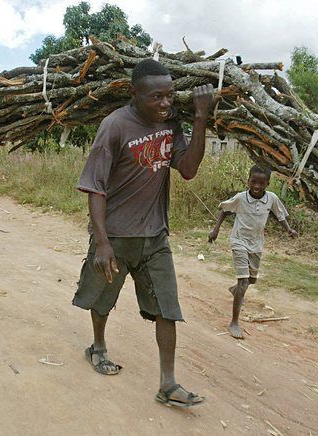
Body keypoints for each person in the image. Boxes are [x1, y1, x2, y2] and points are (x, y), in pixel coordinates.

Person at [73, 58, 215, 408]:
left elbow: (189, 169)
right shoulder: (114, 126)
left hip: (155, 237)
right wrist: (102, 241)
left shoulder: (171, 125)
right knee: (102, 300)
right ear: (134, 93)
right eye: (156, 97)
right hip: (116, 236)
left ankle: (168, 383)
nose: (165, 103)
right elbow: (96, 186)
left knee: (168, 307)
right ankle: (99, 346)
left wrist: (201, 117)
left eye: (169, 96)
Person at [208, 165, 297, 339]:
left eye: (261, 183)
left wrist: (289, 230)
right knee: (243, 282)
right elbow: (224, 210)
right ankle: (234, 322)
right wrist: (215, 230)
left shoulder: (271, 198)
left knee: (251, 281)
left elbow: (280, 215)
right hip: (239, 241)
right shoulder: (241, 198)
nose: (256, 186)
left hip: (256, 244)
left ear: (268, 184)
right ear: (248, 181)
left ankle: (236, 290)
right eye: (253, 182)